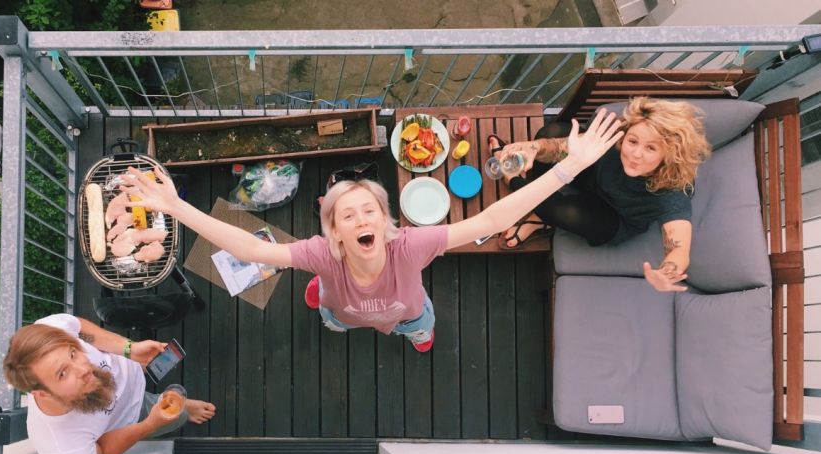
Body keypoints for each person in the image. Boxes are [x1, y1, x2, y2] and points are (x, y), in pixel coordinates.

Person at [121, 109, 624, 352]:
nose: (362, 220)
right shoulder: (323, 253)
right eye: (348, 215)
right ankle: (326, 304)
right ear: (335, 234)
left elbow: (491, 221)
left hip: (406, 313)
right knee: (335, 318)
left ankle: (415, 334)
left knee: (418, 327)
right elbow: (250, 245)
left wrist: (566, 170)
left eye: (371, 212)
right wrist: (173, 206)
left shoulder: (412, 244)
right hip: (344, 311)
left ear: (388, 225)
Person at [493, 97, 711, 293]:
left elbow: (679, 248)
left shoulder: (674, 189)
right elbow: (560, 146)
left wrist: (667, 271)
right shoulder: (616, 137)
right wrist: (533, 148)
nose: (635, 154)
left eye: (651, 148)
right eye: (633, 141)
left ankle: (513, 180)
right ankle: (535, 197)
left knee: (562, 211)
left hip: (614, 217)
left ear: (669, 154)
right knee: (549, 133)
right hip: (593, 177)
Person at [3, 314, 216, 454]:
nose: (85, 368)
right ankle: (184, 407)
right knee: (178, 415)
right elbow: (101, 452)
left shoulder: (50, 330)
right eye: (63, 373)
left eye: (73, 353)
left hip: (134, 369)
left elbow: (80, 329)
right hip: (136, 415)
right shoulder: (61, 448)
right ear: (41, 393)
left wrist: (129, 350)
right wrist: (150, 424)